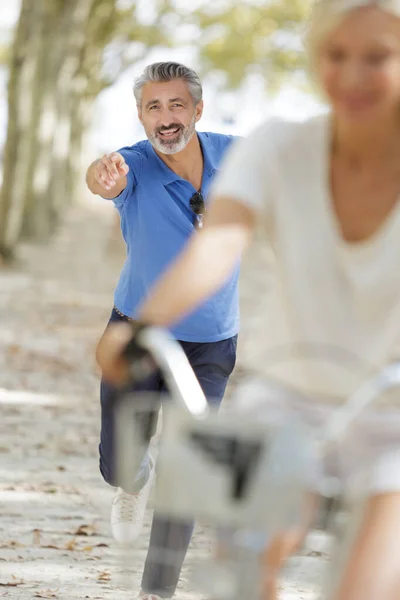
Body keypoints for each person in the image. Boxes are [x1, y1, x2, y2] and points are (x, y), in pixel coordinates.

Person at [97, 2, 400, 599]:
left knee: (367, 585)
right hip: (286, 393)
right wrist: (141, 325)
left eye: (379, 56)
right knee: (248, 565)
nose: (354, 75)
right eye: (336, 56)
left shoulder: (230, 148)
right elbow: (218, 245)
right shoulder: (279, 149)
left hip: (387, 407)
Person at [86, 62, 239, 600]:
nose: (166, 117)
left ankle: (158, 591)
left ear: (198, 109)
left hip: (211, 343)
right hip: (137, 333)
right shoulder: (132, 165)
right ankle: (131, 482)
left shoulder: (236, 157)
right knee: (121, 459)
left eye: (177, 105)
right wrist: (101, 178)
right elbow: (101, 178)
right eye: (154, 106)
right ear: (140, 115)